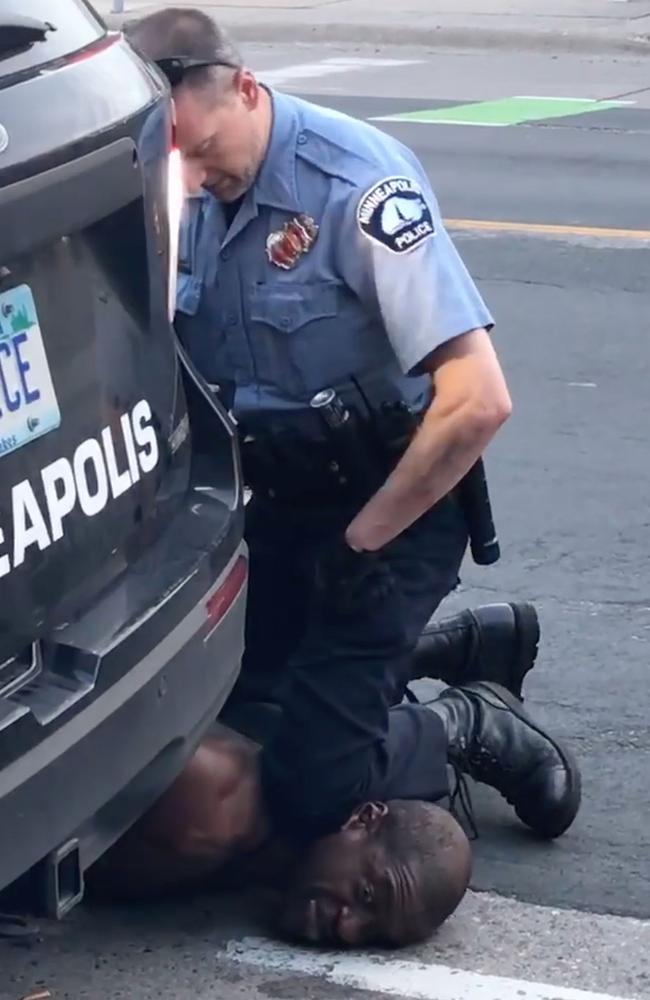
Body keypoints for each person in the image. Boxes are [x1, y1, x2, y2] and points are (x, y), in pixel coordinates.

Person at [124, 10, 580, 844]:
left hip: (386, 509)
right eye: (167, 156)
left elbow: (478, 399)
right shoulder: (169, 186)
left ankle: (465, 721)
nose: (183, 177)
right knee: (230, 712)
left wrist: (364, 542)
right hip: (272, 503)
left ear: (248, 90)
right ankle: (447, 647)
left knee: (307, 787)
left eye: (197, 150)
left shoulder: (354, 184)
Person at [88, 681, 580, 948]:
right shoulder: (212, 809)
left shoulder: (302, 871)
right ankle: (460, 720)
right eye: (365, 895)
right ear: (360, 821)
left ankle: (435, 652)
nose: (348, 928)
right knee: (322, 764)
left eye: (373, 937)